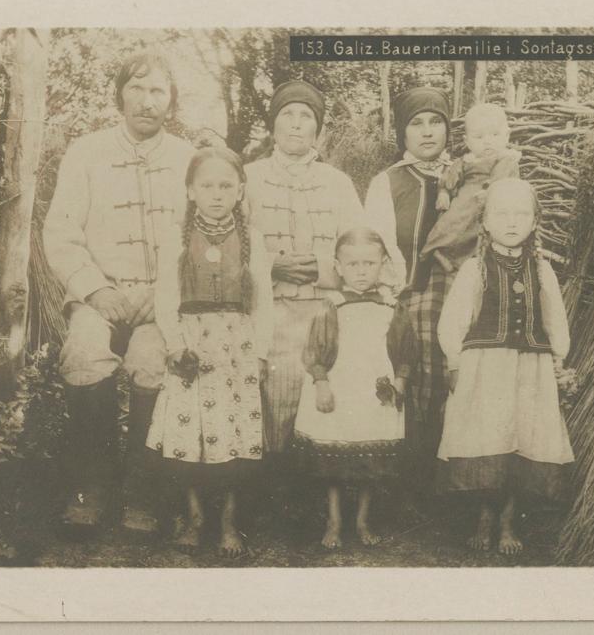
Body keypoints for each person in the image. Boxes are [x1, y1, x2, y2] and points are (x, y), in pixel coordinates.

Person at [43, 51, 195, 534]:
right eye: (137, 88)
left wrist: (164, 292)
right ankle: (92, 485)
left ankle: (142, 491)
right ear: (120, 95)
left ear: (171, 101)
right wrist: (95, 289)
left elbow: (198, 237)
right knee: (84, 352)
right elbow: (61, 232)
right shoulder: (86, 153)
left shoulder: (187, 159)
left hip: (160, 302)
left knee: (154, 362)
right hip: (99, 295)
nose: (147, 101)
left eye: (158, 91)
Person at [147, 146, 273, 556]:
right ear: (190, 190)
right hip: (192, 345)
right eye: (207, 186)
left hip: (237, 347)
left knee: (234, 433)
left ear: (240, 190)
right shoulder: (176, 237)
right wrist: (176, 345)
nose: (217, 194)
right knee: (189, 432)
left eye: (226, 186)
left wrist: (261, 353)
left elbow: (264, 302)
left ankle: (229, 522)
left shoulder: (252, 239)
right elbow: (165, 296)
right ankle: (195, 516)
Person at [436, 178, 572, 555]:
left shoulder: (542, 271)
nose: (511, 222)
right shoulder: (475, 269)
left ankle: (509, 521)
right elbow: (453, 321)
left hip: (530, 370)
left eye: (521, 214)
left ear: (534, 221)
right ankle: (484, 517)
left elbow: (555, 320)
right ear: (485, 221)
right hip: (486, 369)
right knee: (490, 440)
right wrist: (455, 361)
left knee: (521, 439)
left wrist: (558, 358)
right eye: (501, 214)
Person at [244, 80, 366, 458]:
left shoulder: (338, 183)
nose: (296, 123)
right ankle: (271, 479)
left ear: (318, 128)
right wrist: (272, 265)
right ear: (273, 124)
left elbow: (360, 251)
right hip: (267, 311)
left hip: (324, 314)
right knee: (273, 401)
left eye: (306, 116)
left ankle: (315, 485)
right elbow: (232, 248)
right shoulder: (248, 178)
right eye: (287, 114)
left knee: (321, 401)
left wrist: (320, 268)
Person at [292, 227, 415, 548]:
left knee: (369, 457)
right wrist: (321, 383)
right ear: (338, 266)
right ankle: (334, 520)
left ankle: (362, 520)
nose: (361, 272)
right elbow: (316, 349)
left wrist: (399, 382)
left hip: (374, 392)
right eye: (353, 264)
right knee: (336, 457)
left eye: (369, 263)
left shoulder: (391, 305)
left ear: (382, 264)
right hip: (341, 388)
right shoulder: (332, 304)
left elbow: (404, 348)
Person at [363, 86, 453, 498]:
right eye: (417, 123)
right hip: (404, 291)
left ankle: (446, 484)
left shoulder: (466, 175)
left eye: (436, 122)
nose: (428, 132)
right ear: (403, 133)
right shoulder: (388, 182)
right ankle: (403, 486)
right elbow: (376, 244)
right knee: (406, 374)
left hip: (457, 294)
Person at [420, 103, 522, 275]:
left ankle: (462, 262)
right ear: (467, 141)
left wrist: (490, 192)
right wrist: (444, 192)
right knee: (448, 221)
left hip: (491, 203)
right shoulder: (466, 161)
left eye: (495, 134)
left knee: (478, 233)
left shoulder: (507, 159)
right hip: (463, 201)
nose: (487, 141)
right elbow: (450, 176)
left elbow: (503, 180)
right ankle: (439, 250)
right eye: (479, 137)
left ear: (507, 136)